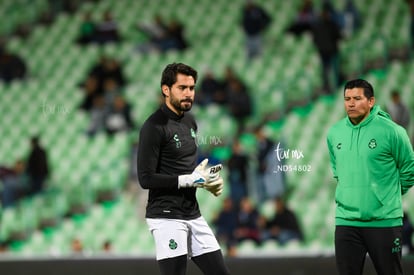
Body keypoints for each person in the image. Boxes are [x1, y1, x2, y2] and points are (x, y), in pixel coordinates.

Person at [137, 63, 230, 275]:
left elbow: (186, 168)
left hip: (192, 212)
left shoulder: (190, 122)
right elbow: (145, 178)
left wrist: (206, 181)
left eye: (192, 88)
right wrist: (189, 180)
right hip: (166, 215)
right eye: (182, 88)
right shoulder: (153, 127)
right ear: (166, 90)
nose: (189, 94)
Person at [327, 79, 414, 275]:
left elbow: (409, 170)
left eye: (357, 98)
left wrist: (386, 195)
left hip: (384, 222)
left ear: (371, 101)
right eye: (347, 99)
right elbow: (337, 170)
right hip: (346, 221)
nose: (351, 103)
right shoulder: (334, 133)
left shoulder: (393, 131)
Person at [311, 2, 342, 94]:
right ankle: (335, 84)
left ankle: (327, 86)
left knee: (326, 70)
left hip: (324, 51)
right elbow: (338, 36)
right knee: (333, 68)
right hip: (331, 50)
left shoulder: (317, 26)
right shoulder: (331, 24)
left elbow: (315, 40)